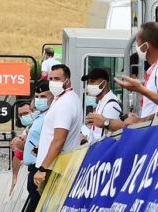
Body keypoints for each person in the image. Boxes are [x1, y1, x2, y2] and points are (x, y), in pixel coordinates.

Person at [32, 65, 83, 196]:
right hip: (56, 166)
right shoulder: (64, 99)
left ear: (67, 81)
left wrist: (43, 168)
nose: (53, 82)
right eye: (51, 78)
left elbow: (59, 140)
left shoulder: (65, 103)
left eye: (57, 79)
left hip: (55, 168)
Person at [116, 22, 158, 119]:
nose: (137, 48)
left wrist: (141, 121)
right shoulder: (157, 67)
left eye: (138, 43)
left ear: (146, 46)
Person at [83, 68, 124, 143]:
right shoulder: (101, 102)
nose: (89, 85)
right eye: (88, 82)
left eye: (92, 81)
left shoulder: (110, 105)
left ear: (104, 83)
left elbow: (109, 137)